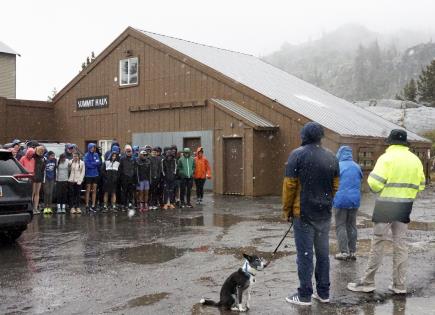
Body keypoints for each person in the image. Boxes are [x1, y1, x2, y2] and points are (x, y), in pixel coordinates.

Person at [348, 129, 425, 295]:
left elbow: (374, 184)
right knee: (401, 245)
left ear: (390, 142)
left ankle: (368, 282)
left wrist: (383, 189)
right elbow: (421, 184)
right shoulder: (415, 160)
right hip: (405, 206)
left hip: (385, 206)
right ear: (405, 143)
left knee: (378, 243)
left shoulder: (386, 158)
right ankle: (399, 285)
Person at [282, 122, 339, 306]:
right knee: (322, 254)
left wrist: (287, 210)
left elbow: (290, 186)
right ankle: (323, 293)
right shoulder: (331, 157)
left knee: (305, 255)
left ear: (304, 136)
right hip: (324, 214)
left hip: (303, 214)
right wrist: (326, 202)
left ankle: (305, 295)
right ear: (321, 137)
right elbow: (336, 186)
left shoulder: (297, 155)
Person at [333, 146, 363, 261]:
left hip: (340, 199)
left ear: (340, 154)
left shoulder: (337, 166)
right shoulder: (356, 166)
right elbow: (360, 180)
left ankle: (343, 252)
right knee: (351, 225)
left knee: (341, 225)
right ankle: (352, 252)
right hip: (354, 200)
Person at [84, 143, 101, 212]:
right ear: (89, 148)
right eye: (91, 147)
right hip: (88, 175)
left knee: (94, 190)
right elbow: (87, 164)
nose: (92, 149)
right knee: (88, 190)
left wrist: (92, 164)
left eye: (93, 148)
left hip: (95, 175)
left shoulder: (96, 154)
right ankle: (87, 205)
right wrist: (93, 164)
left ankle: (93, 205)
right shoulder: (86, 155)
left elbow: (98, 163)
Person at [119, 145, 136, 211]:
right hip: (124, 178)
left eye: (130, 151)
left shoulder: (134, 159)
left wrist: (134, 177)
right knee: (124, 192)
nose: (129, 152)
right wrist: (121, 178)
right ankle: (124, 204)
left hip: (131, 178)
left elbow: (135, 168)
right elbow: (120, 168)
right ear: (125, 152)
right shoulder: (122, 159)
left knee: (131, 192)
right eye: (128, 151)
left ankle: (130, 204)